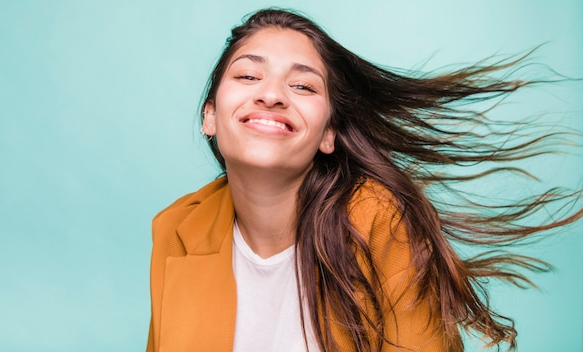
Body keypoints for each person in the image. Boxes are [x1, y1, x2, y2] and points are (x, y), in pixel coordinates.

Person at [146, 8, 582, 352]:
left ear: (329, 135)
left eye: (303, 86)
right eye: (247, 75)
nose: (272, 94)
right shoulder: (175, 229)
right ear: (210, 116)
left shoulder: (378, 220)